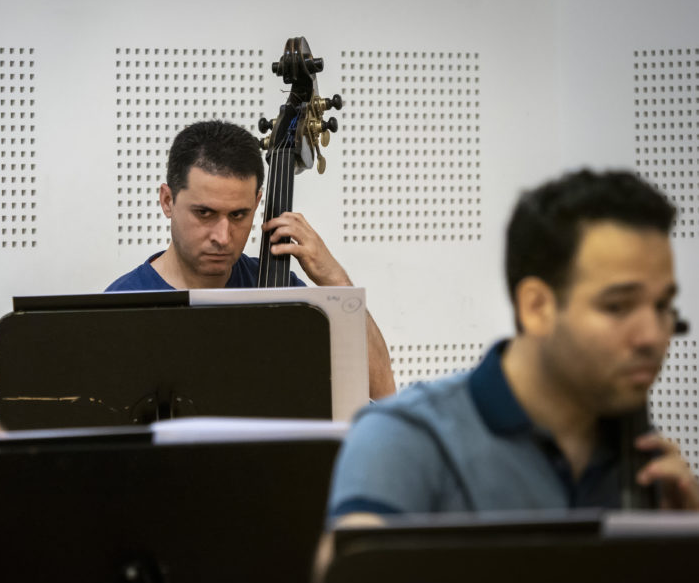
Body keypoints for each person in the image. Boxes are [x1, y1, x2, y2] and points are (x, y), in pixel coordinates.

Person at [328, 169, 699, 521]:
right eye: (617, 306)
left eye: (663, 306)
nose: (652, 336)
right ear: (536, 307)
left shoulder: (646, 466)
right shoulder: (403, 439)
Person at [106, 120, 395, 400]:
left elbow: (383, 395)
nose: (222, 236)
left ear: (257, 204)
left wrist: (336, 281)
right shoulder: (120, 306)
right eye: (204, 213)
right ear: (167, 201)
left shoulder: (283, 295)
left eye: (238, 215)